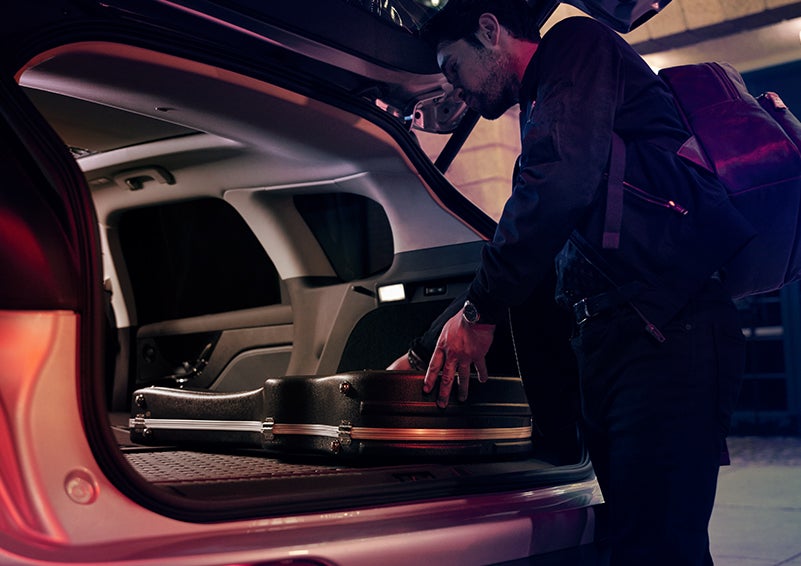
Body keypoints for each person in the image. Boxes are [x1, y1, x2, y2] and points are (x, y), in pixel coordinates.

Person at [389, 0, 755, 563]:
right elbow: (530, 246)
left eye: (453, 67)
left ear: (489, 30)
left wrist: (479, 312)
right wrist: (421, 355)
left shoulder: (576, 47)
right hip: (617, 344)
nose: (455, 89)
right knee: (633, 543)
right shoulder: (544, 107)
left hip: (667, 332)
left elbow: (554, 189)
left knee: (657, 549)